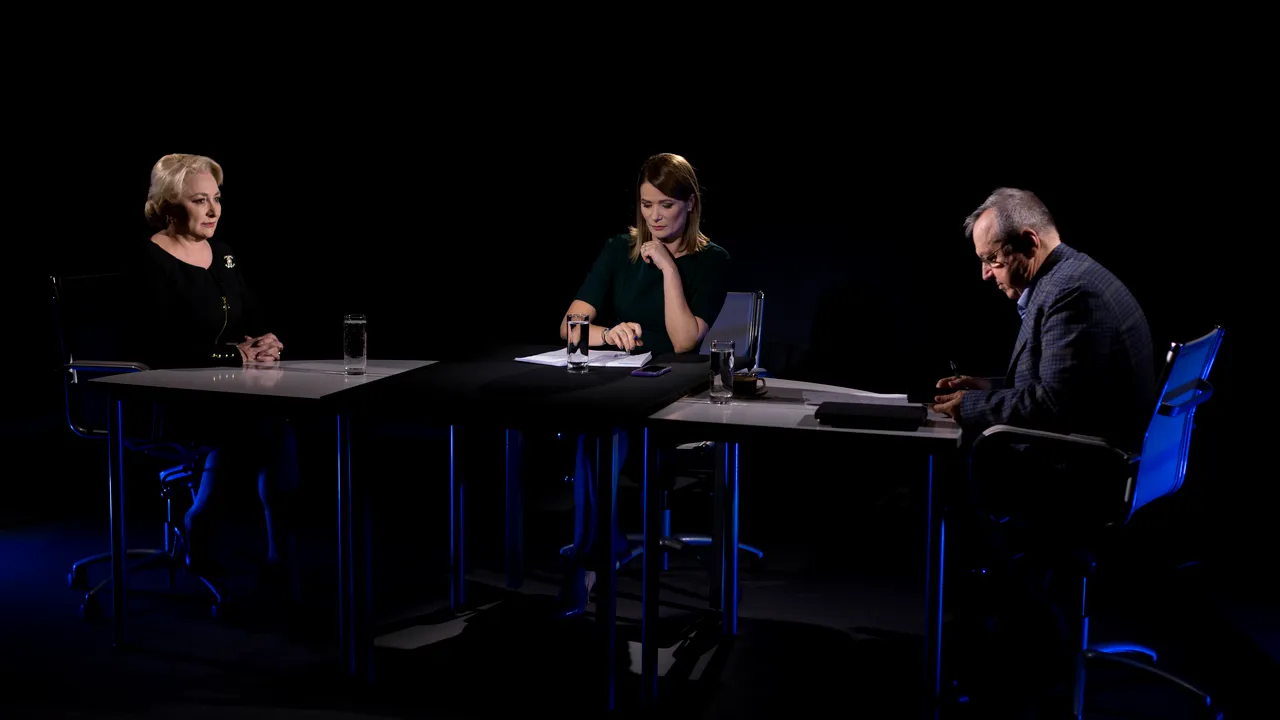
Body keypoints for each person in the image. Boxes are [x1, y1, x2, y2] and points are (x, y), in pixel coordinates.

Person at [931, 187, 1155, 713]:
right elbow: (1064, 385)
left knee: (947, 490)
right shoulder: (1069, 278)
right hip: (1102, 459)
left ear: (1029, 242)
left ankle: (1017, 652)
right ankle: (1018, 637)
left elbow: (1053, 405)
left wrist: (972, 409)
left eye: (992, 260)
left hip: (1088, 478)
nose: (985, 274)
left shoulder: (1072, 294)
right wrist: (989, 388)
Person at [555, 153, 730, 615]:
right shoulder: (620, 249)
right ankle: (593, 554)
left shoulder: (712, 261)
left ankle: (590, 559)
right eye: (646, 204)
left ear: (690, 204)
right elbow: (570, 325)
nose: (654, 216)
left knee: (603, 431)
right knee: (594, 428)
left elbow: (685, 340)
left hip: (678, 394)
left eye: (666, 205)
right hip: (622, 382)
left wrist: (669, 268)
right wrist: (607, 333)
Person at [131, 153, 299, 605]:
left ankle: (279, 561)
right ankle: (201, 520)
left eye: (217, 199)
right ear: (169, 207)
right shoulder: (148, 260)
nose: (213, 210)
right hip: (167, 397)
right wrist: (233, 354)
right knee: (258, 427)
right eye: (199, 200)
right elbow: (158, 349)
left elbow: (250, 316)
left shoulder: (222, 254)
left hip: (226, 390)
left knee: (277, 426)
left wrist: (264, 342)